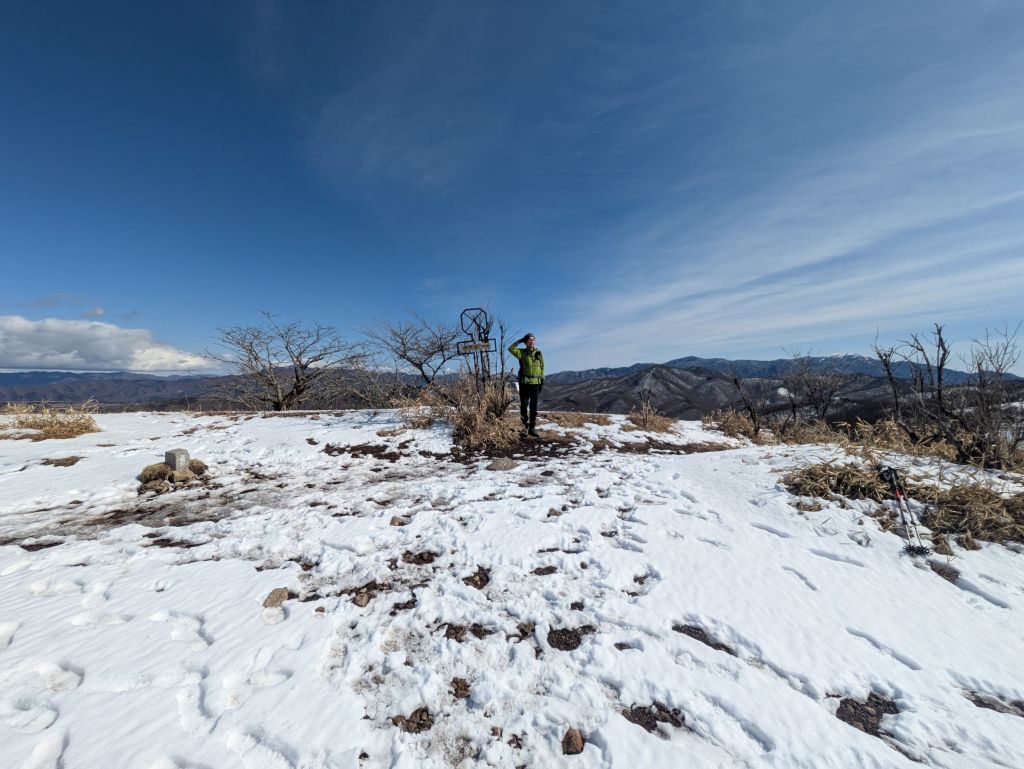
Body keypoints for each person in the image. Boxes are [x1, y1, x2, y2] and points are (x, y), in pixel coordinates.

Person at [509, 333, 544, 437]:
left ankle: (532, 428)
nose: (532, 341)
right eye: (530, 340)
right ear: (526, 342)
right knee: (524, 406)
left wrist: (542, 380)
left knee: (534, 407)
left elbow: (542, 367)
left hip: (536, 384)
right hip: (524, 383)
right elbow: (510, 348)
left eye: (534, 340)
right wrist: (520, 341)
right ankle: (524, 428)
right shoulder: (522, 353)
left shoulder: (539, 353)